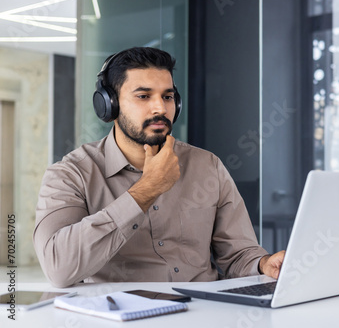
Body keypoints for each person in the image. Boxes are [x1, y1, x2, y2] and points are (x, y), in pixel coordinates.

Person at [33, 47, 284, 288]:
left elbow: (239, 254)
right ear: (109, 105)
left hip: (205, 311)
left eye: (168, 96)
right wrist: (146, 190)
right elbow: (58, 268)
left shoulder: (208, 166)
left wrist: (263, 264)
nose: (161, 109)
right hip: (121, 316)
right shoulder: (71, 174)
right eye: (143, 96)